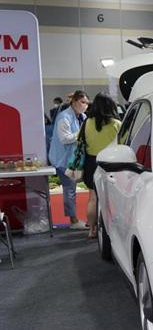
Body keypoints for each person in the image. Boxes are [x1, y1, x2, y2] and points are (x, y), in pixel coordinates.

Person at [48, 90, 90, 229]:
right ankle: (73, 220)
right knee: (70, 189)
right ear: (74, 101)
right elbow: (64, 138)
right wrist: (81, 134)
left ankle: (76, 218)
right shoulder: (64, 117)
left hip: (74, 159)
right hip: (63, 159)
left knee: (72, 188)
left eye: (87, 103)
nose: (85, 106)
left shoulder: (82, 116)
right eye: (82, 102)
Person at [82, 94, 121, 239]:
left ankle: (91, 230)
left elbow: (81, 141)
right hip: (112, 163)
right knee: (113, 199)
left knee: (93, 197)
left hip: (92, 162)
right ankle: (112, 230)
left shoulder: (87, 122)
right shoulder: (117, 124)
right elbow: (124, 143)